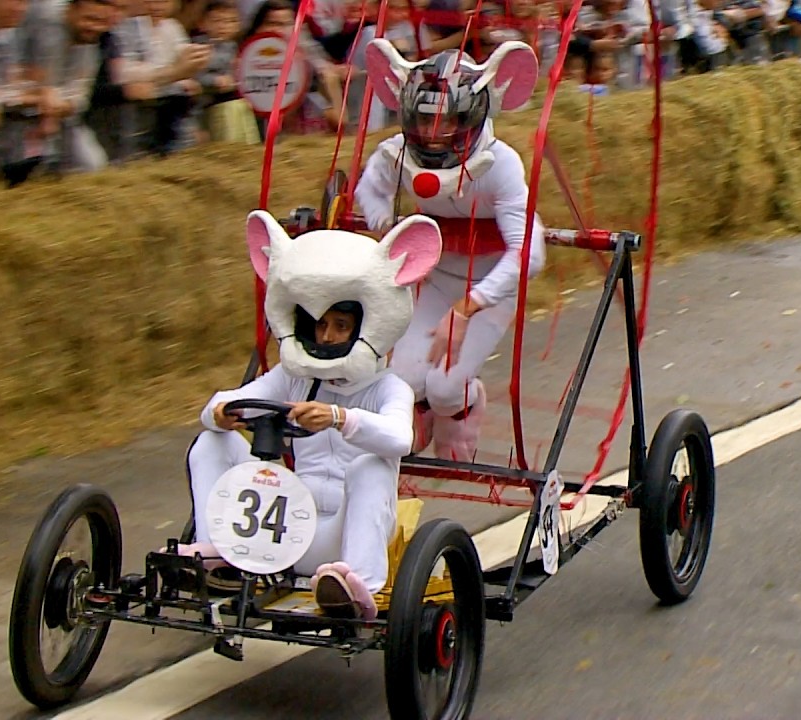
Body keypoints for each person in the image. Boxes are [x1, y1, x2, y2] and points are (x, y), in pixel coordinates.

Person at [176, 209, 442, 621]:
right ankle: (219, 553)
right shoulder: (292, 378)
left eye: (339, 326)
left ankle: (359, 586)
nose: (326, 336)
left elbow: (399, 439)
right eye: (319, 325)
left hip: (345, 534)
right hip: (288, 522)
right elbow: (220, 405)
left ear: (362, 328)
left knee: (371, 465)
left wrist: (340, 418)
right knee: (213, 440)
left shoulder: (388, 387)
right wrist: (222, 414)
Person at [356, 39, 546, 463]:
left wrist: (467, 307)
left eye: (448, 122)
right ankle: (422, 414)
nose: (433, 135)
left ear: (473, 116)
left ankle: (462, 406)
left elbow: (529, 254)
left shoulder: (502, 165)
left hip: (491, 282)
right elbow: (369, 190)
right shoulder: (394, 154)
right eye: (423, 122)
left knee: (445, 386)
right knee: (400, 380)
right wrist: (388, 228)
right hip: (437, 275)